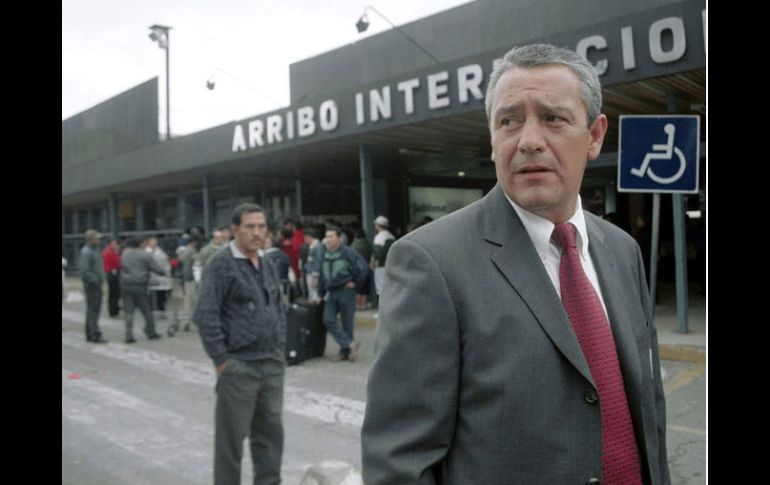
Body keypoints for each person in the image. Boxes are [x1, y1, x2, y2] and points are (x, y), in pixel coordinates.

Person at [362, 44, 669, 484]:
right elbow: (399, 463)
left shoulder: (623, 250)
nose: (528, 140)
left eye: (552, 118)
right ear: (492, 139)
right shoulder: (430, 262)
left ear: (595, 135)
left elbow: (647, 406)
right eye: (509, 121)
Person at [194, 203, 286, 485]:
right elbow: (205, 315)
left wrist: (279, 347)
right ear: (235, 230)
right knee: (230, 444)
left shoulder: (267, 261)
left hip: (270, 365)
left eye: (261, 227)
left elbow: (278, 306)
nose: (257, 233)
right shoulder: (220, 264)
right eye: (250, 227)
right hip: (239, 367)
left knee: (270, 438)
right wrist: (223, 361)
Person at [319, 225, 368, 362]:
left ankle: (344, 353)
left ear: (339, 238)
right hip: (331, 292)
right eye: (326, 236)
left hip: (345, 291)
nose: (328, 239)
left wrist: (355, 284)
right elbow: (322, 275)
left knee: (347, 323)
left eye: (331, 236)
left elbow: (363, 268)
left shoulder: (348, 253)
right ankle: (350, 344)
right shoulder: (325, 253)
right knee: (327, 320)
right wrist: (319, 293)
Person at [120, 238, 166, 342]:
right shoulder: (144, 254)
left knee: (129, 311)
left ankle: (128, 335)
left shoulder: (124, 254)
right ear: (140, 244)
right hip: (140, 285)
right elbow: (156, 268)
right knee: (146, 310)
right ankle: (150, 331)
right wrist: (163, 272)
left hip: (126, 285)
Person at [78, 229, 108, 343]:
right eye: (97, 238)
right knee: (93, 310)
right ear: (91, 240)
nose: (99, 240)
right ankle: (94, 333)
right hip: (92, 284)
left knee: (93, 309)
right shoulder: (87, 252)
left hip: (95, 283)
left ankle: (90, 333)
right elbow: (84, 271)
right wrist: (95, 280)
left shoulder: (94, 250)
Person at [370, 215, 394, 297]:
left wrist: (373, 262)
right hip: (390, 265)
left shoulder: (378, 237)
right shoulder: (391, 236)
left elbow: (377, 253)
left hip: (380, 265)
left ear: (378, 225)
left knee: (380, 289)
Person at [102, 238, 122, 317]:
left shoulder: (113, 252)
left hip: (114, 273)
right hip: (112, 273)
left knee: (115, 293)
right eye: (114, 244)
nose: (116, 245)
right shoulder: (109, 252)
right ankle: (113, 310)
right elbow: (117, 262)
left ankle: (115, 309)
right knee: (113, 293)